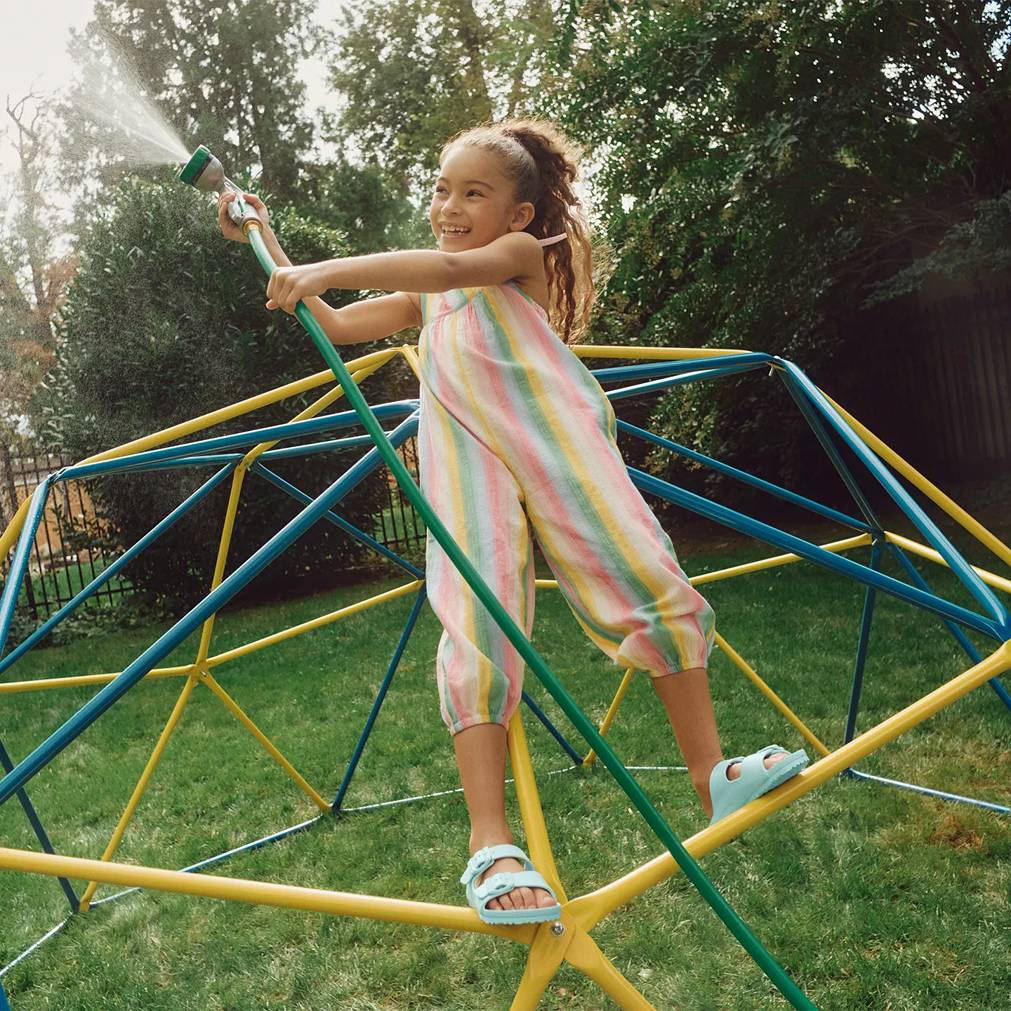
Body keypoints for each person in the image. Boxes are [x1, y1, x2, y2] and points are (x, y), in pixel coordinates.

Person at [218, 118, 809, 927]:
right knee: (474, 618)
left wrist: (324, 266)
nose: (449, 205)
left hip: (551, 433)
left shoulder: (519, 260)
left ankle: (710, 775)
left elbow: (453, 264)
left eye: (473, 192)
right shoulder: (427, 294)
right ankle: (490, 840)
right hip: (465, 459)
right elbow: (333, 320)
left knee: (640, 567)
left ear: (520, 215)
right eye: (441, 188)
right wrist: (267, 240)